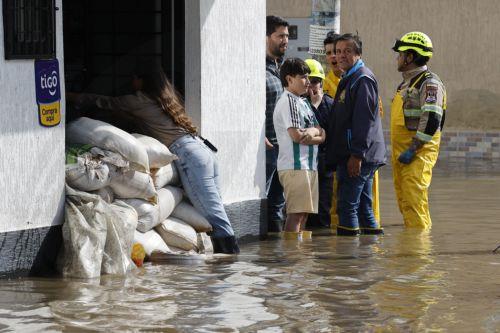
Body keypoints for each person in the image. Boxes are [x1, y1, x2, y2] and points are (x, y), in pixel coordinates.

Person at [67, 64, 240, 254]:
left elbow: (105, 102)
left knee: (213, 214)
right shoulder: (168, 99)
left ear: (142, 80)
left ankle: (228, 264)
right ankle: (225, 264)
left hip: (189, 155)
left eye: (134, 77)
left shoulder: (140, 100)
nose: (131, 82)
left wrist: (71, 96)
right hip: (202, 150)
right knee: (215, 209)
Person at [326, 33, 386, 236]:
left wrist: (357, 155)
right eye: (338, 51)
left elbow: (364, 120)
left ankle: (348, 262)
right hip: (360, 153)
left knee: (347, 206)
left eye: (347, 51)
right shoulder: (350, 77)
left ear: (358, 53)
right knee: (363, 207)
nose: (340, 56)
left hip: (360, 155)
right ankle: (368, 256)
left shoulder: (362, 79)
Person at [391, 31, 446, 229]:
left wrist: (413, 149)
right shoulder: (406, 83)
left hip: (417, 152)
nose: (397, 58)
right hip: (403, 153)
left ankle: (419, 253)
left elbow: (432, 119)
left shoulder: (429, 83)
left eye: (401, 54)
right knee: (405, 201)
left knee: (414, 200)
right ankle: (409, 250)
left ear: (410, 57)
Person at [273, 58, 326, 239]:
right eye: (303, 77)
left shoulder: (303, 102)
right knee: (296, 214)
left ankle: (302, 258)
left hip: (308, 165)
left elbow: (322, 133)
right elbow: (297, 137)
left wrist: (311, 132)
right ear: (289, 80)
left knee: (304, 214)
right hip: (295, 166)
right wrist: (314, 134)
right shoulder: (289, 101)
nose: (308, 82)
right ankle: (291, 258)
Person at [303, 59, 334, 229]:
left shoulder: (330, 104)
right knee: (302, 211)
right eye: (308, 81)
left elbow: (333, 135)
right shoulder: (299, 104)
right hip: (303, 166)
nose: (311, 86)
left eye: (315, 81)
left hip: (324, 167)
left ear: (321, 82)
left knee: (322, 213)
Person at [265, 15, 289, 233]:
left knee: (278, 205)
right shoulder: (256, 70)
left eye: (287, 36)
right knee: (263, 202)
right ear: (266, 37)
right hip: (266, 149)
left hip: (284, 147)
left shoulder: (281, 69)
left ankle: (277, 256)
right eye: (280, 35)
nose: (285, 40)